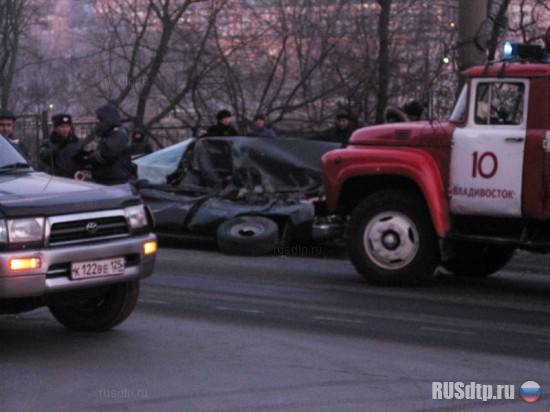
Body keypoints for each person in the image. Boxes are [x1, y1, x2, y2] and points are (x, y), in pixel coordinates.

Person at [86, 104, 134, 185]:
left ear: (108, 119)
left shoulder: (119, 134)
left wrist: (91, 157)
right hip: (106, 178)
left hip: (114, 180)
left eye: (101, 120)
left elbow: (108, 154)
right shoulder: (110, 134)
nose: (99, 123)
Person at [39, 114, 83, 178]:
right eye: (62, 127)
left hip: (74, 180)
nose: (65, 129)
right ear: (56, 128)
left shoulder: (76, 142)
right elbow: (44, 158)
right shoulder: (48, 143)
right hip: (56, 179)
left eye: (67, 126)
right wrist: (58, 147)